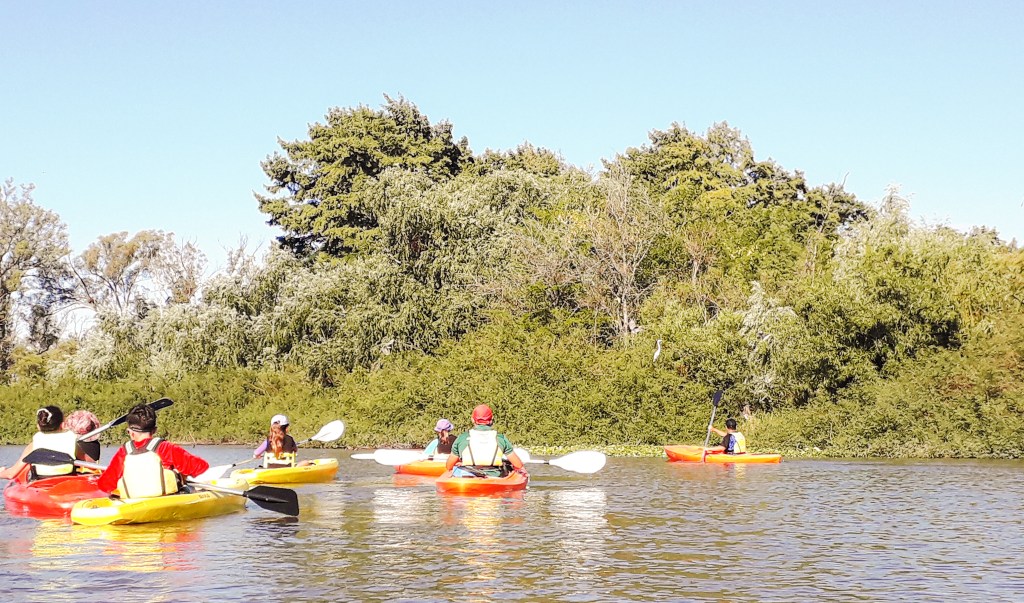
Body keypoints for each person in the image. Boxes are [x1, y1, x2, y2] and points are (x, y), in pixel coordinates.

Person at [96, 403, 210, 497]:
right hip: (164, 499)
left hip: (133, 502)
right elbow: (200, 467)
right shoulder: (164, 448)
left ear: (129, 432)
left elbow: (104, 485)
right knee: (178, 475)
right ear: (154, 430)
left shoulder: (124, 452)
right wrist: (179, 474)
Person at [0, 406, 92, 481]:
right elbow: (90, 462)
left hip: (42, 485)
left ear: (38, 427)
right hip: (67, 483)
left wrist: (2, 472)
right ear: (63, 425)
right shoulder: (71, 441)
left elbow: (11, 474)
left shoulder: (34, 445)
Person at [445, 404, 527, 478]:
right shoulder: (500, 438)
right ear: (491, 420)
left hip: (467, 476)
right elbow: (518, 465)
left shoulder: (462, 438)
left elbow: (449, 466)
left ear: (473, 420)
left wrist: (463, 463)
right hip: (494, 477)